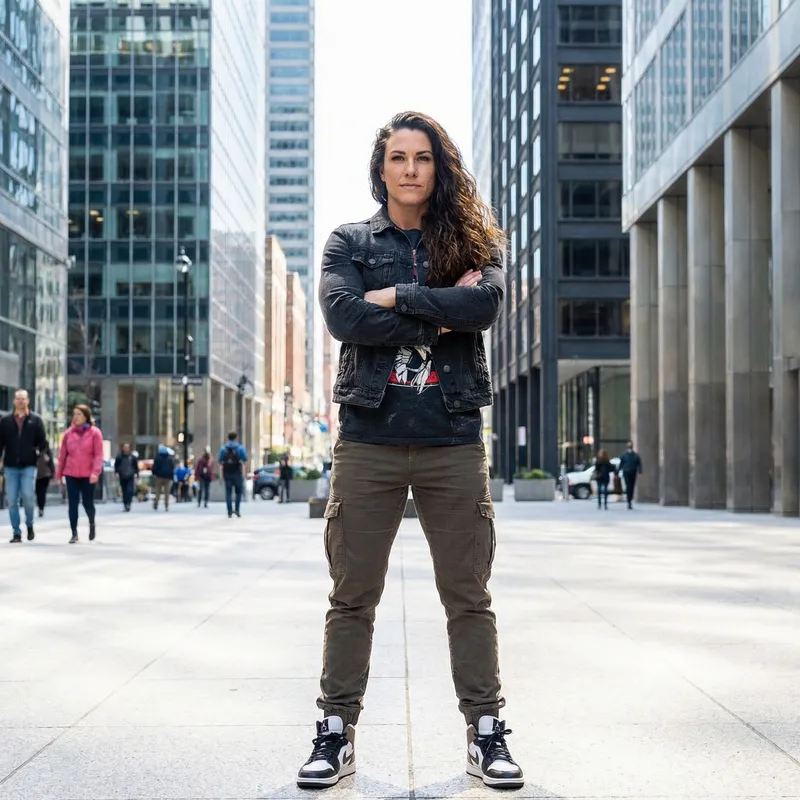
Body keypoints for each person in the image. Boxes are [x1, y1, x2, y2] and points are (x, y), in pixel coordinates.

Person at [297, 111, 522, 791]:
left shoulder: (476, 238)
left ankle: (486, 731)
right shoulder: (349, 240)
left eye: (423, 157)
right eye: (399, 157)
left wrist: (397, 296)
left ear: (439, 166)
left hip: (452, 438)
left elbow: (484, 309)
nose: (411, 169)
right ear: (382, 167)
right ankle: (336, 731)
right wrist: (439, 308)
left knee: (468, 595)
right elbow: (344, 317)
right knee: (352, 594)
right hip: (368, 438)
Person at [0, 388, 47, 543]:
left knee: (28, 496)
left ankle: (29, 524)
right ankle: (16, 532)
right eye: (18, 398)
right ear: (14, 401)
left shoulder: (36, 420)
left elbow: (42, 442)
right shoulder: (5, 421)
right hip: (10, 466)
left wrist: (37, 452)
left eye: (23, 398)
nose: (20, 401)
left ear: (28, 401)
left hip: (28, 465)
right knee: (12, 500)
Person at [55, 404, 104, 543]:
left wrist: (96, 472)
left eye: (79, 414)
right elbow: (62, 455)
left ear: (86, 417)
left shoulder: (95, 433)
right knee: (73, 503)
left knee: (88, 503)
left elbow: (98, 455)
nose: (76, 417)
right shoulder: (68, 433)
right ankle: (74, 533)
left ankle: (91, 522)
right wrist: (59, 474)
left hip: (88, 475)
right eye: (74, 414)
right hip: (71, 473)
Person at [218, 431, 247, 519]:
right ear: (236, 437)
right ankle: (237, 510)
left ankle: (229, 511)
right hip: (237, 472)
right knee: (238, 492)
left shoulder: (223, 448)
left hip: (227, 473)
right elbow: (245, 458)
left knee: (228, 492)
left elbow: (219, 460)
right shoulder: (240, 448)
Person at [114, 442, 138, 511]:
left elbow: (136, 466)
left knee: (129, 490)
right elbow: (116, 466)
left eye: (127, 447)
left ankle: (128, 504)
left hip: (130, 475)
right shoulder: (119, 456)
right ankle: (125, 504)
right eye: (125, 447)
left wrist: (137, 474)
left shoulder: (133, 457)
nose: (126, 449)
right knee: (124, 490)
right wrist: (116, 473)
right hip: (122, 475)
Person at [619, 441, 643, 509]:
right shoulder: (624, 455)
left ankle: (629, 500)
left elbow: (639, 463)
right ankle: (629, 501)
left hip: (632, 472)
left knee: (631, 486)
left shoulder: (635, 455)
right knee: (628, 486)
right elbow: (621, 463)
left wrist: (640, 470)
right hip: (626, 472)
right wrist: (618, 471)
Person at [152, 445, 175, 511]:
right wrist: (171, 476)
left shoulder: (157, 458)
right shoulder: (170, 458)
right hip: (167, 477)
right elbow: (172, 467)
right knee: (166, 492)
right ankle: (166, 506)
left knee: (157, 491)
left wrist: (154, 474)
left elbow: (154, 467)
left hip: (159, 477)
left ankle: (156, 504)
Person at [36, 444, 54, 517]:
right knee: (38, 492)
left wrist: (52, 472)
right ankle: (40, 507)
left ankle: (41, 508)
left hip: (45, 475)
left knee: (42, 492)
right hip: (37, 475)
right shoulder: (34, 449)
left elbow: (51, 462)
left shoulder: (46, 451)